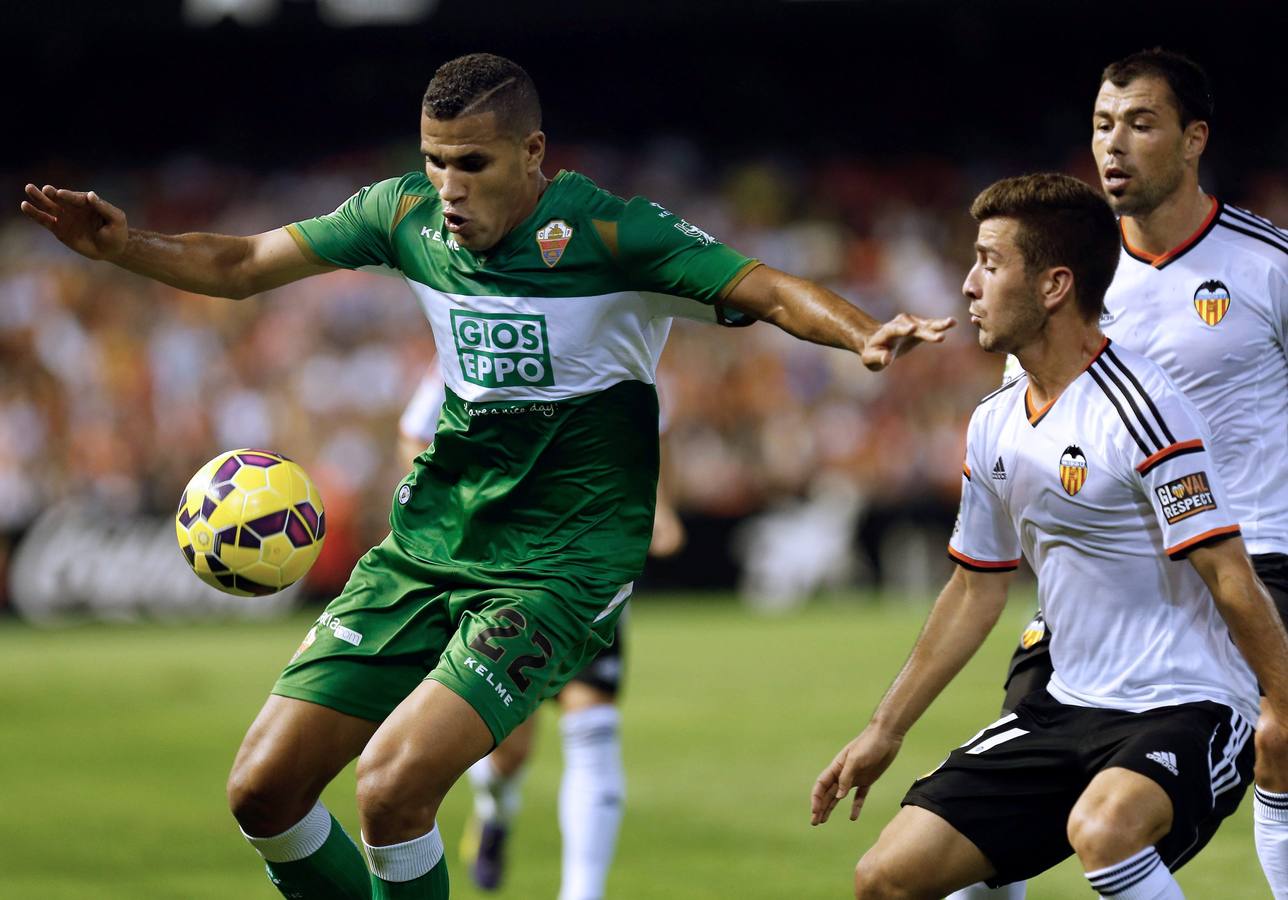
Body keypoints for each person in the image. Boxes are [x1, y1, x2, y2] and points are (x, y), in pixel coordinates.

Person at [21, 53, 952, 899]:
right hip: (432, 541)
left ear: (532, 152)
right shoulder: (403, 217)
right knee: (262, 791)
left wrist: (862, 331)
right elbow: (240, 262)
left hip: (561, 564)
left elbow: (770, 288)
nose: (448, 186)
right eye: (435, 160)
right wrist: (122, 246)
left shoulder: (611, 233)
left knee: (391, 788)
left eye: (472, 163)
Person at [810, 172, 1288, 900]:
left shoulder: (1144, 410)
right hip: (1065, 705)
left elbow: (1228, 574)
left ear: (1055, 285)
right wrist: (885, 730)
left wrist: (1281, 704)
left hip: (1185, 702)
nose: (968, 285)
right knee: (884, 879)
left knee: (1103, 832)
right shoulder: (995, 421)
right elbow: (975, 588)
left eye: (990, 264)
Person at [951, 49, 1288, 900]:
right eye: (1104, 124)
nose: (1115, 144)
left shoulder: (1267, 266)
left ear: (1193, 139)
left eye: (1140, 123)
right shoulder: (1066, 277)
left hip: (1252, 555)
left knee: (1280, 739)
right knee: (1015, 764)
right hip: (1111, 572)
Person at [397, 359, 687, 898]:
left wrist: (660, 506)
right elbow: (414, 433)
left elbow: (650, 434)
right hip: (500, 573)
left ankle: (583, 892)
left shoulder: (622, 343)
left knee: (594, 727)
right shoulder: (478, 335)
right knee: (511, 749)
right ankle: (495, 808)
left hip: (586, 565)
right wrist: (453, 513)